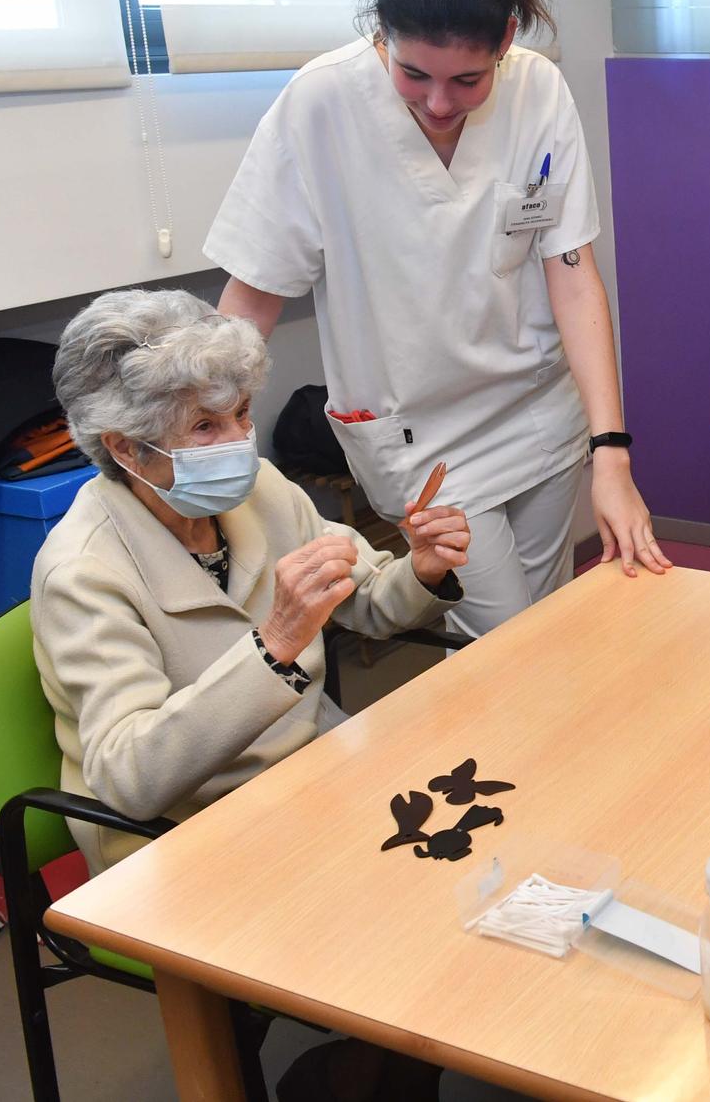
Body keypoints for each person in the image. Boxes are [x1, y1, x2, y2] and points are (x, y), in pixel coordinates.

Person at [205, 0, 668, 638]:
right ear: (381, 31)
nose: (440, 103)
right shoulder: (320, 104)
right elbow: (251, 297)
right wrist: (203, 428)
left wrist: (610, 453)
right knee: (506, 644)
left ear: (507, 37)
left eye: (467, 79)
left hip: (537, 415)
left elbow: (572, 276)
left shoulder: (540, 93)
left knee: (543, 633)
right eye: (413, 74)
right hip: (422, 441)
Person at [33, 290, 468, 875]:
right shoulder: (83, 573)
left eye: (241, 413)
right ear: (127, 448)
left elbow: (368, 599)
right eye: (205, 426)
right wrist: (275, 645)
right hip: (182, 832)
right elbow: (130, 779)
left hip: (308, 775)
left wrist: (420, 570)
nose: (239, 442)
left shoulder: (261, 488)